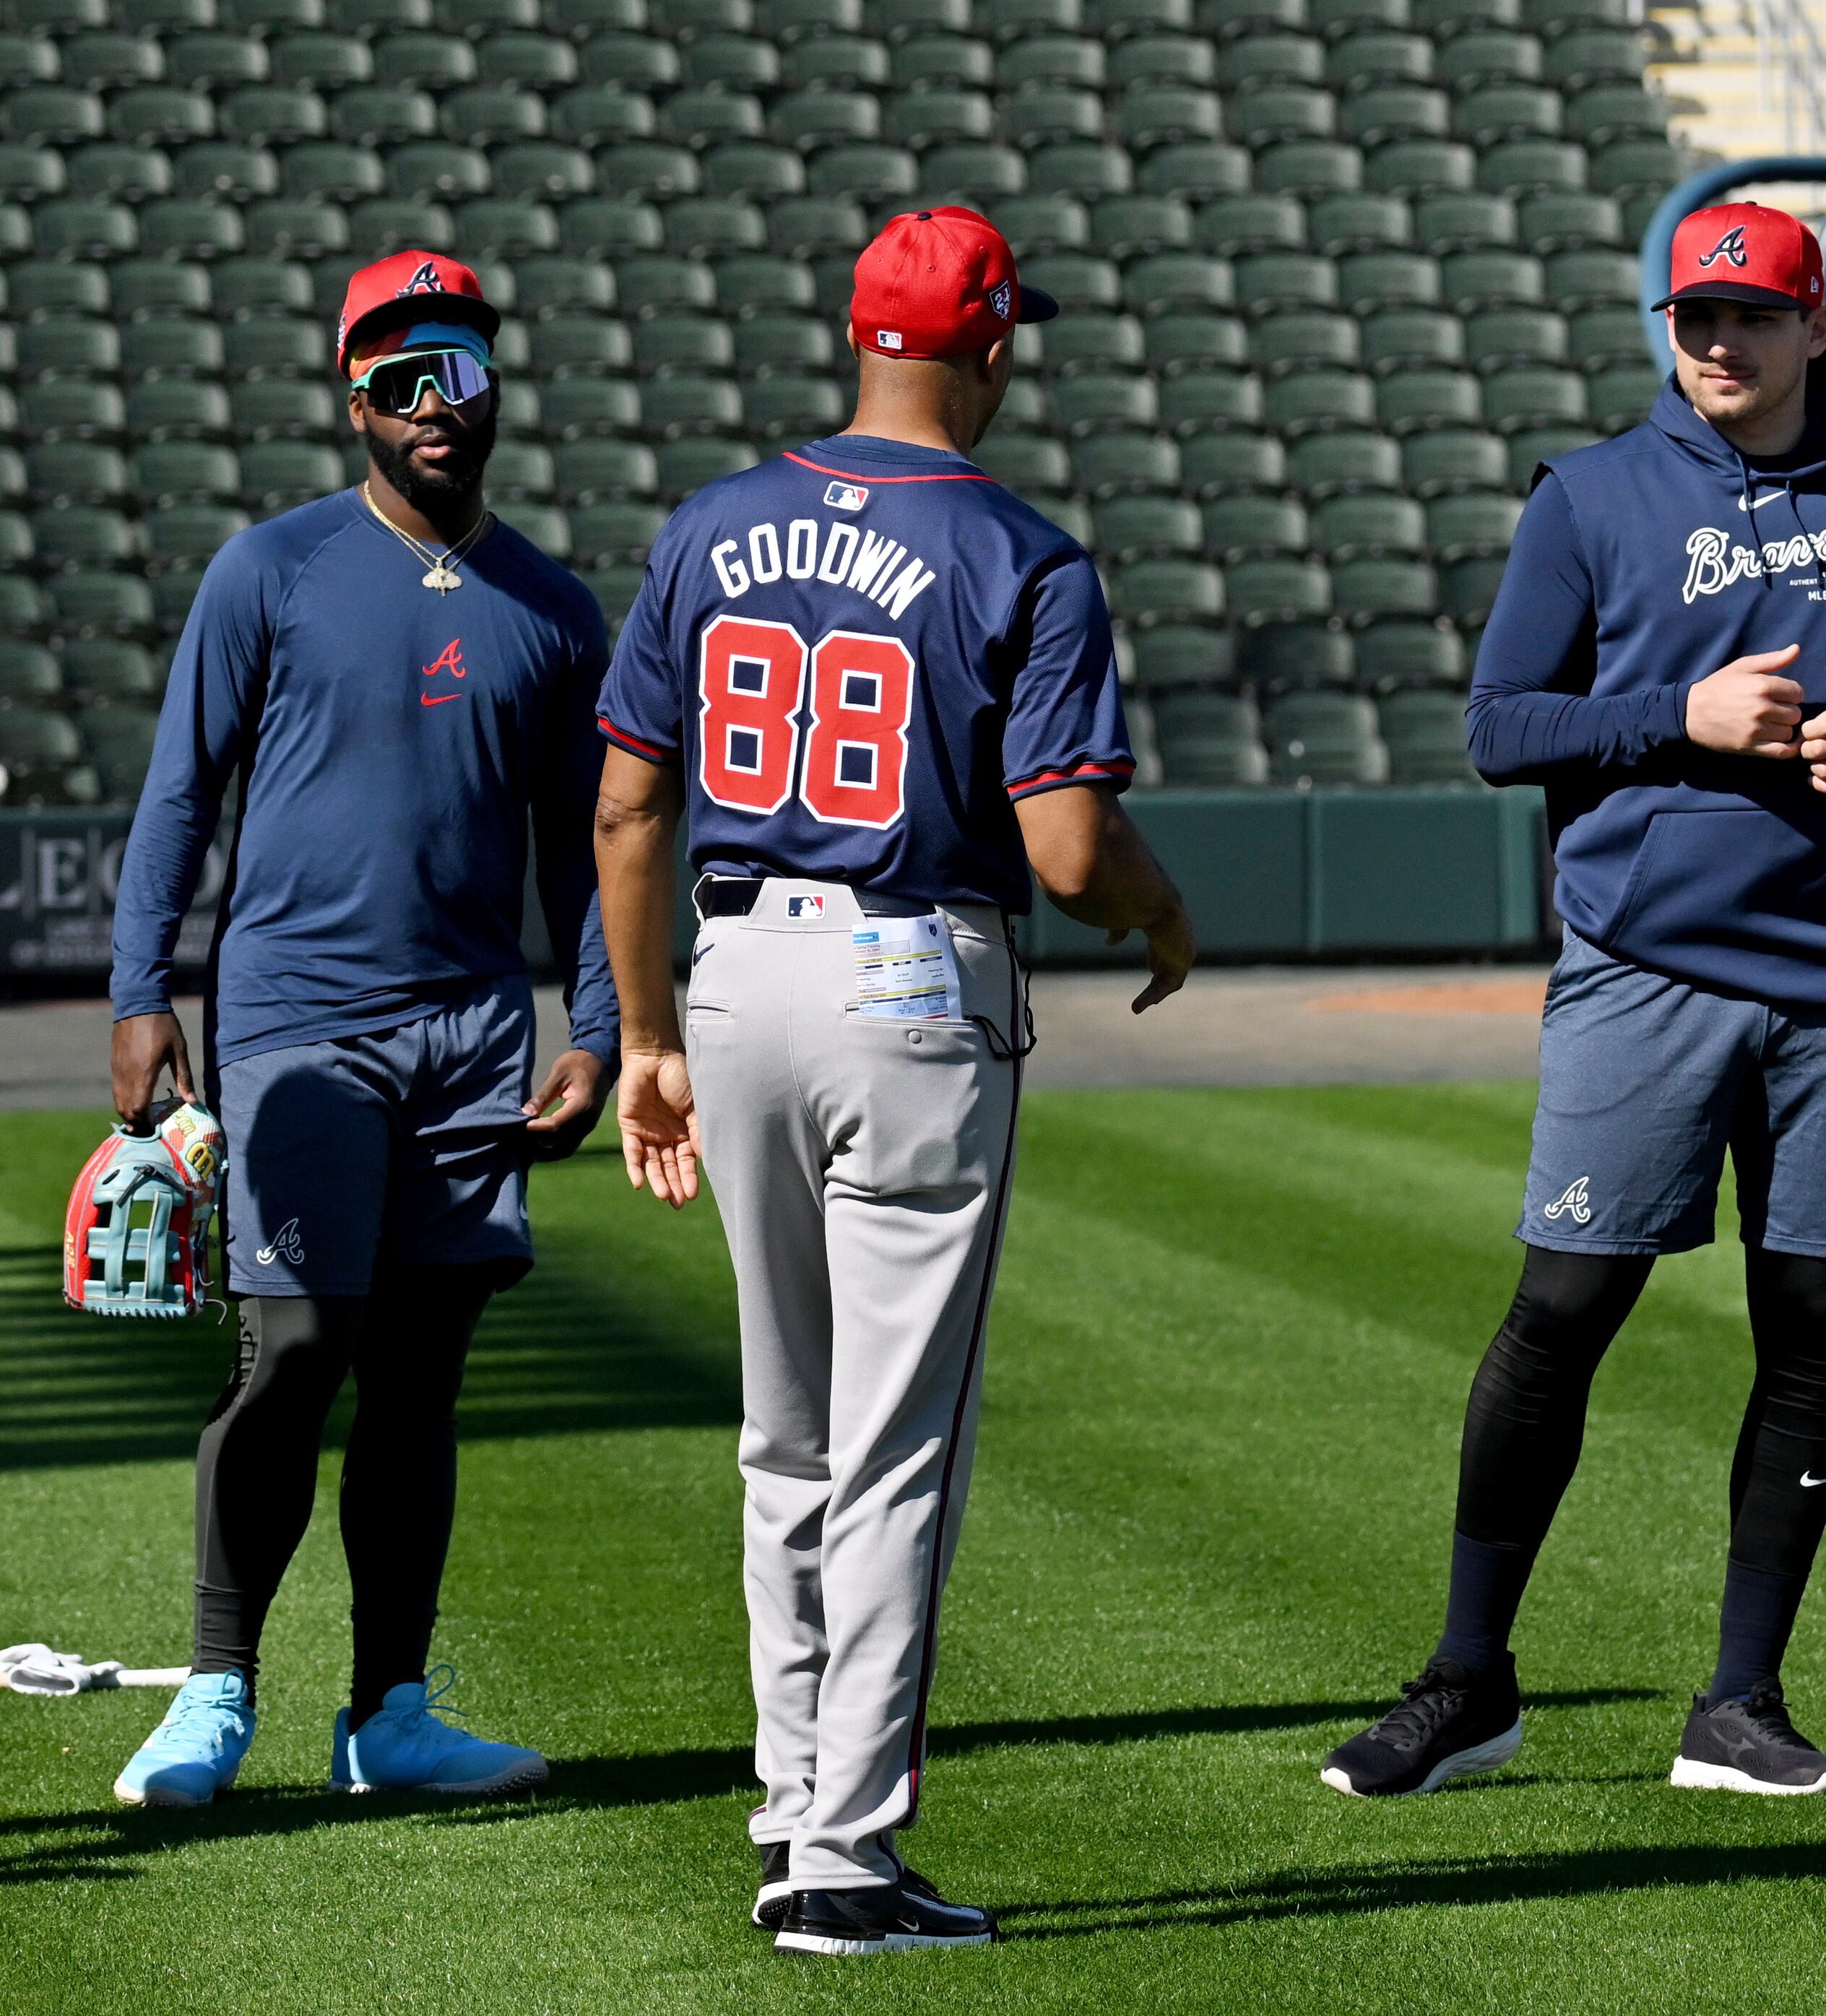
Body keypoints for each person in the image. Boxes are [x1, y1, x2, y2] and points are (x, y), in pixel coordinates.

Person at [1317, 201, 1826, 1802]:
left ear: (1821, 327)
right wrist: (1676, 718)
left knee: (1808, 1329)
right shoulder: (1595, 496)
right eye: (1696, 318)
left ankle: (1743, 1701)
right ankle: (1467, 1679)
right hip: (1645, 965)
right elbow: (1500, 725)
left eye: (1753, 318)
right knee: (1562, 1310)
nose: (1720, 345)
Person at [593, 207, 1193, 1957]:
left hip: (732, 967)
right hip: (909, 974)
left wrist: (643, 1036)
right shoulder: (1024, 551)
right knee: (893, 1446)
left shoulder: (712, 521)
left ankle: (794, 1812)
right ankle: (846, 1859)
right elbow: (1070, 848)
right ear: (993, 348)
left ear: (864, 337)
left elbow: (629, 806)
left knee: (784, 1433)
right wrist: (1159, 903)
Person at [103, 251, 615, 1808]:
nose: (435, 403)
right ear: (355, 403)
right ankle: (215, 1689)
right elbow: (181, 791)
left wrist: (594, 1024)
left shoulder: (553, 607)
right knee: (299, 1347)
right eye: (402, 377)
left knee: (420, 1377)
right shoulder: (270, 569)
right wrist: (141, 991)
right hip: (294, 1020)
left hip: (469, 1034)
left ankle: (387, 1709)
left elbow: (584, 851)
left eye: (459, 367)